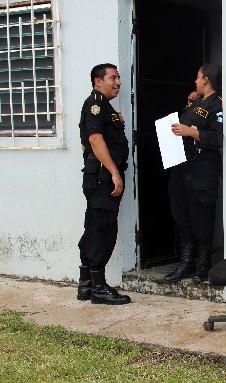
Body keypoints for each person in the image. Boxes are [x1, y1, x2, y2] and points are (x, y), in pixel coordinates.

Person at [162, 63, 223, 283]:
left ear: (206, 80)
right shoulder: (196, 103)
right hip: (182, 169)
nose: (195, 82)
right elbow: (185, 125)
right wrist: (189, 107)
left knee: (201, 220)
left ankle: (202, 267)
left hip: (201, 172)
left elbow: (217, 139)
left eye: (198, 78)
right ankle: (186, 264)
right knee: (182, 217)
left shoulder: (218, 105)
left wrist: (191, 132)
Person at [77, 63, 131, 305]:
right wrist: (114, 172)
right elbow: (95, 140)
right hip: (102, 178)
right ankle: (98, 287)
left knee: (94, 227)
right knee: (103, 229)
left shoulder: (104, 108)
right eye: (113, 78)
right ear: (98, 81)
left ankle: (86, 284)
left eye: (119, 77)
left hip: (98, 177)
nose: (118, 82)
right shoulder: (96, 105)